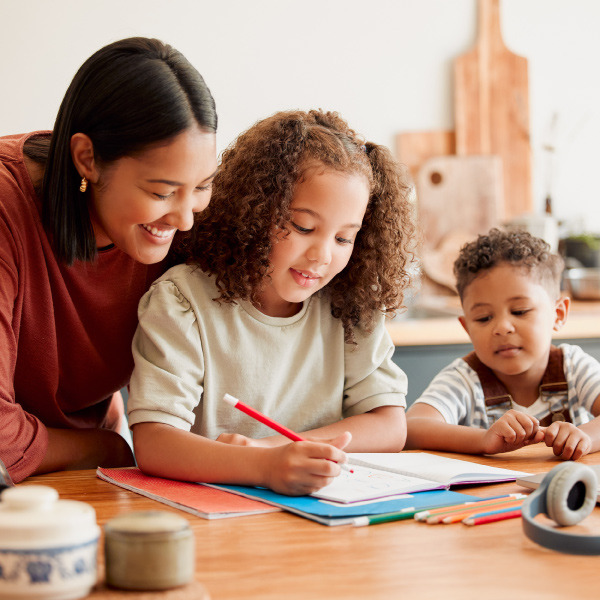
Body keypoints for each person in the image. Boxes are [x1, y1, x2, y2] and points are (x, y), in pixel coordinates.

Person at [127, 109, 414, 495]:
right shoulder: (183, 300)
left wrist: (274, 449)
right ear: (255, 212)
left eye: (344, 238)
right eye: (303, 227)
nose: (322, 255)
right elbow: (154, 443)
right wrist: (263, 466)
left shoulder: (350, 305)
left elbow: (389, 425)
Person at [0, 37, 218, 483]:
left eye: (201, 187)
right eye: (161, 192)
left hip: (88, 470)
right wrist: (108, 446)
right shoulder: (7, 208)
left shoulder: (181, 221)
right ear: (87, 158)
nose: (184, 219)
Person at [406, 228, 600, 460]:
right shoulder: (464, 378)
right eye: (484, 318)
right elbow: (412, 427)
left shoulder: (574, 367)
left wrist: (585, 437)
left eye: (519, 311)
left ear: (558, 314)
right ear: (467, 328)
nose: (502, 327)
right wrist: (483, 440)